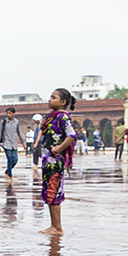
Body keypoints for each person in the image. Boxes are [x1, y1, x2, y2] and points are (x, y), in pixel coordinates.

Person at [39, 88, 77, 234]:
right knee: (50, 192)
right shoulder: (52, 117)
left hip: (55, 162)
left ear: (63, 102)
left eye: (53, 97)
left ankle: (57, 227)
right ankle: (54, 225)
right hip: (48, 161)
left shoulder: (62, 117)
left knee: (54, 192)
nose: (49, 99)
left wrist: (58, 149)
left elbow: (71, 135)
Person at [0, 107, 26, 186]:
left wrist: (23, 142)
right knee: (10, 159)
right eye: (7, 113)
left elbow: (19, 132)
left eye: (10, 113)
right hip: (6, 143)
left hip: (14, 144)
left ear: (13, 114)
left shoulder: (16, 122)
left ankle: (7, 171)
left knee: (15, 160)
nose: (8, 115)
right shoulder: (3, 122)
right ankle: (11, 176)